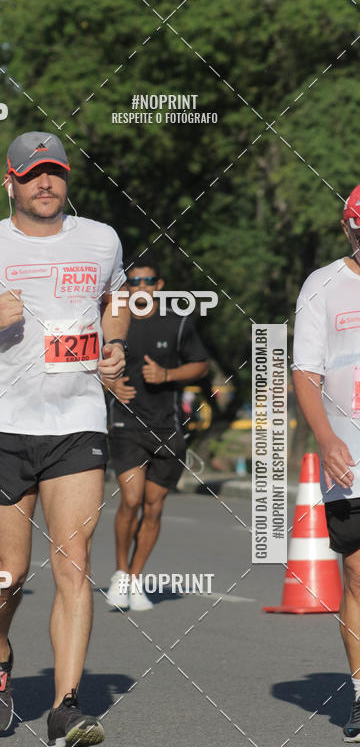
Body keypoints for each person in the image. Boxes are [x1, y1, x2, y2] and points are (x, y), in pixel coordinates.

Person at [0, 130, 129, 747]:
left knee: (75, 563)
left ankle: (67, 707)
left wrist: (114, 342)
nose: (45, 183)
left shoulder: (100, 239)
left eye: (55, 172)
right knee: (10, 572)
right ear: (10, 182)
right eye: (32, 174)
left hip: (76, 420)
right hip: (2, 423)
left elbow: (117, 298)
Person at [292, 183, 360, 742]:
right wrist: (325, 437)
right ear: (348, 228)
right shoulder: (323, 285)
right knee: (358, 575)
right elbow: (305, 372)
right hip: (349, 456)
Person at [105, 261, 208, 610]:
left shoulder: (176, 322)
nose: (140, 287)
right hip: (126, 424)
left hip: (167, 427)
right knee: (131, 499)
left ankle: (136, 578)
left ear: (159, 285)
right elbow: (86, 362)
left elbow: (200, 365)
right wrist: (109, 383)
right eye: (133, 282)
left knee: (154, 507)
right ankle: (120, 573)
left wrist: (167, 375)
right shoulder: (114, 322)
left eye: (147, 281)